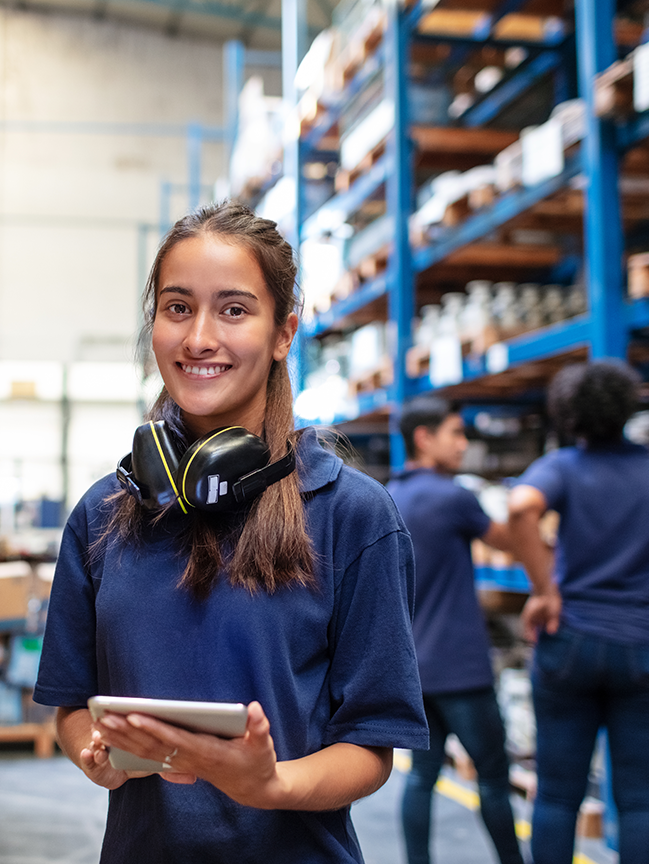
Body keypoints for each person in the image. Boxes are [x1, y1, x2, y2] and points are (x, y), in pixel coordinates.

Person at [33, 201, 429, 863]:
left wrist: (270, 784)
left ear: (283, 334)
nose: (199, 339)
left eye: (235, 310)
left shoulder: (354, 517)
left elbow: (370, 746)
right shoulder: (102, 516)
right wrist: (93, 755)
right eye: (178, 308)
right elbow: (72, 704)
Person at [507, 360, 649, 864]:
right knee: (642, 800)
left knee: (558, 792)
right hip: (647, 646)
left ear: (569, 413)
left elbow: (519, 508)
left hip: (570, 641)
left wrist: (545, 590)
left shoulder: (562, 469)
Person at [388, 397, 524, 864]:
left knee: (422, 774)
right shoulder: (454, 497)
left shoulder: (387, 498)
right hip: (462, 668)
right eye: (455, 434)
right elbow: (508, 541)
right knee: (492, 776)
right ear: (424, 438)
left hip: (414, 668)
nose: (463, 445)